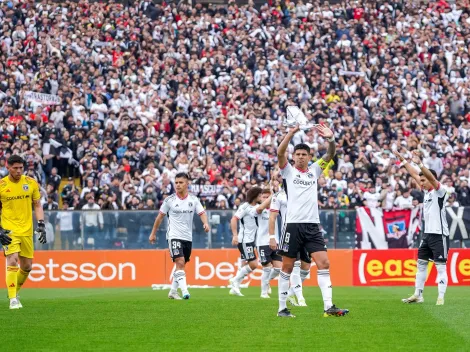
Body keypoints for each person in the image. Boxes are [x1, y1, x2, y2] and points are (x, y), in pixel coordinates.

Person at [276, 124, 349, 318]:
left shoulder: (315, 171)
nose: (300, 156)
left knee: (324, 263)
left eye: (304, 154)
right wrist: (290, 133)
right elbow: (279, 152)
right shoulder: (288, 171)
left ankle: (329, 307)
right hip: (292, 225)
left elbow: (330, 155)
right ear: (294, 157)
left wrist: (331, 139)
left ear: (309, 157)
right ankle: (282, 308)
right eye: (297, 154)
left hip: (312, 226)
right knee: (287, 267)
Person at [394, 150, 449, 305]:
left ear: (432, 180)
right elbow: (414, 174)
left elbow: (428, 176)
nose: (421, 182)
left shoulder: (440, 191)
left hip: (440, 235)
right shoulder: (427, 192)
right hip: (428, 235)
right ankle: (418, 295)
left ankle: (441, 298)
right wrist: (403, 160)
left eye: (424, 180)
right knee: (421, 264)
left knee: (440, 267)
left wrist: (420, 163)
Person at [149, 173, 210, 300]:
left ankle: (172, 291)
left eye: (181, 182)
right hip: (174, 235)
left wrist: (205, 223)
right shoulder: (169, 200)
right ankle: (185, 291)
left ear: (187, 184)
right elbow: (159, 217)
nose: (178, 185)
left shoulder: (193, 200)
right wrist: (153, 233)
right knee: (180, 261)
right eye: (176, 182)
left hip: (187, 237)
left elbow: (202, 213)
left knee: (181, 265)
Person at [0, 155, 46, 309]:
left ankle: (14, 291)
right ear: (8, 167)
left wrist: (41, 224)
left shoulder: (31, 183)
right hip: (9, 229)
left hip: (27, 230)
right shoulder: (1, 185)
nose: (19, 171)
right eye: (15, 168)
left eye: (21, 168)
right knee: (12, 259)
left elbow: (37, 205)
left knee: (27, 266)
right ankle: (13, 299)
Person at [269, 171, 309, 307]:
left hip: (305, 232)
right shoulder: (278, 196)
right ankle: (301, 298)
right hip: (289, 233)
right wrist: (272, 237)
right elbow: (272, 217)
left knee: (306, 268)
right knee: (295, 266)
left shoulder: (301, 193)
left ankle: (291, 292)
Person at [229, 186, 272, 297]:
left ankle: (235, 286)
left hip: (252, 240)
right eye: (260, 196)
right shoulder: (245, 207)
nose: (261, 198)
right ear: (255, 196)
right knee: (253, 264)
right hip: (244, 240)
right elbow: (234, 219)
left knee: (246, 264)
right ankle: (235, 280)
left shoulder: (258, 207)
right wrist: (235, 235)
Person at [257, 188, 282, 299]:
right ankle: (263, 293)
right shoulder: (257, 210)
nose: (267, 199)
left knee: (278, 269)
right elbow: (260, 208)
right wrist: (273, 196)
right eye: (264, 197)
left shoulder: (275, 209)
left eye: (268, 197)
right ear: (260, 198)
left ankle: (266, 282)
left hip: (275, 241)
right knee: (266, 268)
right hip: (262, 242)